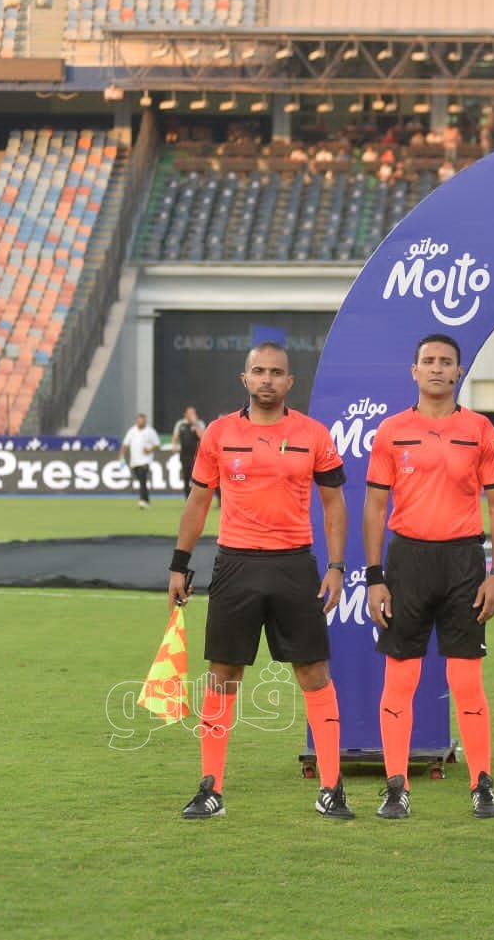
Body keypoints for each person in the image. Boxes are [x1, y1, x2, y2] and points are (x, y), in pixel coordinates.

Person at [168, 342, 353, 820]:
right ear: (244, 378)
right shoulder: (219, 433)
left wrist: (336, 565)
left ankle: (332, 787)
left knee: (313, 673)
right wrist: (179, 564)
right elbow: (198, 501)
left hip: (295, 565)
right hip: (235, 565)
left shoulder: (313, 434)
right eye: (258, 371)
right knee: (223, 675)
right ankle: (211, 789)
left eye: (276, 372)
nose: (267, 379)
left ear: (290, 381)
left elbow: (334, 504)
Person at [363, 333, 494, 820]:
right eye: (428, 360)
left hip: (464, 563)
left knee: (465, 680)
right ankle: (396, 787)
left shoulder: (479, 429)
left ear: (458, 372)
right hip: (407, 562)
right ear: (414, 371)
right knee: (400, 677)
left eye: (446, 361)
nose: (436, 368)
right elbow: (375, 506)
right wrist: (375, 577)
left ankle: (482, 785)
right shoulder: (391, 431)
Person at [119, 413, 160, 508]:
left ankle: (142, 500)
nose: (141, 422)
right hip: (134, 461)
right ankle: (146, 499)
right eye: (139, 420)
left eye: (143, 420)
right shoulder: (132, 431)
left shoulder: (150, 431)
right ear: (137, 421)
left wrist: (149, 450)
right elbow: (125, 444)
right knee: (141, 480)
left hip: (145, 461)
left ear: (145, 421)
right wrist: (121, 455)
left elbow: (157, 445)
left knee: (142, 479)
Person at [171, 406, 206, 497]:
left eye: (193, 413)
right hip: (184, 455)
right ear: (185, 414)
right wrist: (174, 445)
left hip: (196, 456)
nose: (192, 415)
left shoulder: (199, 423)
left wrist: (195, 423)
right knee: (186, 477)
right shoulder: (180, 424)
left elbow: (202, 437)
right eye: (190, 413)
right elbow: (175, 436)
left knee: (196, 478)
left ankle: (197, 497)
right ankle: (187, 498)